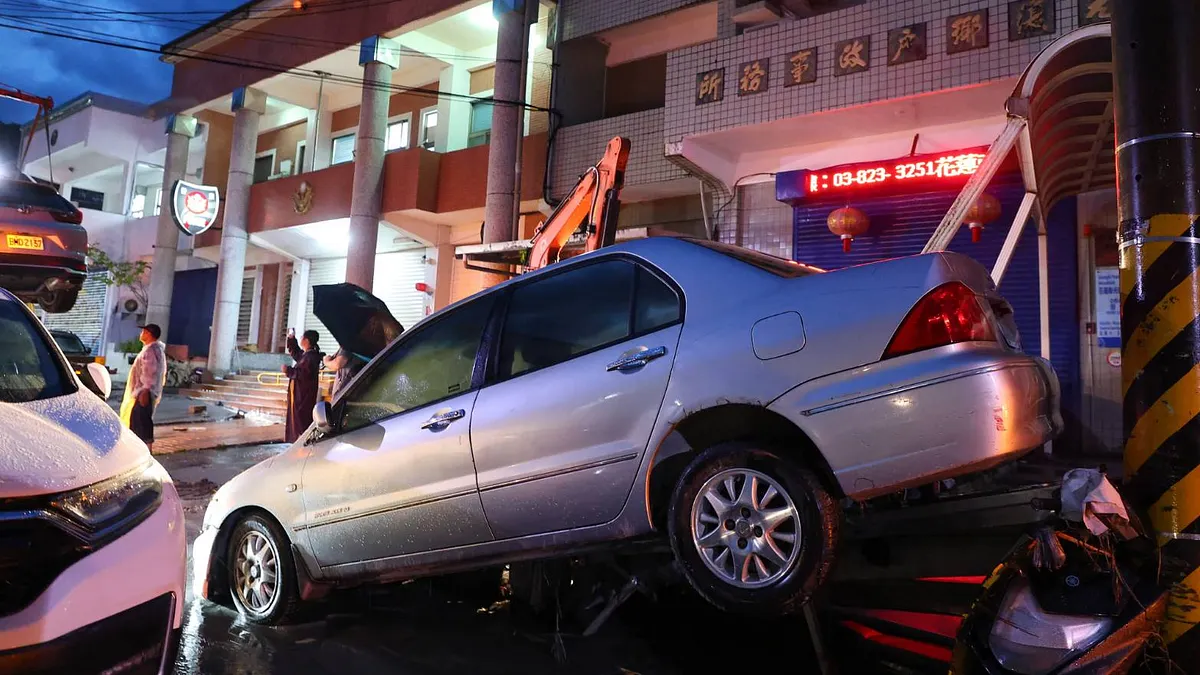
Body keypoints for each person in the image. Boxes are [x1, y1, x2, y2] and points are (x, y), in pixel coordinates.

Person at [119, 323, 166, 451]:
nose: (141, 334)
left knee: (140, 425)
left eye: (144, 331)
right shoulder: (154, 349)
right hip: (143, 392)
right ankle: (143, 451)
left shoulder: (150, 350)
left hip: (142, 393)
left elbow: (149, 371)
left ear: (148, 334)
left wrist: (145, 390)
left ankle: (143, 452)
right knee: (141, 423)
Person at [283, 328, 323, 443]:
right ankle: (297, 441)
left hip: (303, 397)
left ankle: (301, 443)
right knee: (296, 421)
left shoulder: (311, 357)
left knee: (300, 421)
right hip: (298, 396)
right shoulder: (307, 355)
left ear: (306, 340)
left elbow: (302, 374)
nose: (300, 339)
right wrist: (291, 339)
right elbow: (296, 353)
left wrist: (288, 371)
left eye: (301, 337)